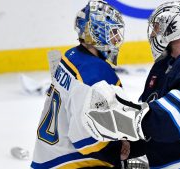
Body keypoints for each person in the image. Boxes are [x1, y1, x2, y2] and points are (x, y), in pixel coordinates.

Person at [82, 1, 180, 168]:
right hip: (173, 162)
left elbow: (178, 119)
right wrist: (130, 144)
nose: (153, 34)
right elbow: (150, 124)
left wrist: (126, 120)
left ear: (173, 28)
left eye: (157, 27)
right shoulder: (162, 67)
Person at [30, 0, 126, 168]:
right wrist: (121, 148)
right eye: (112, 32)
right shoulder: (95, 73)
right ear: (96, 33)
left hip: (47, 158)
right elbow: (85, 140)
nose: (117, 38)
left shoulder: (71, 56)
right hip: (71, 163)